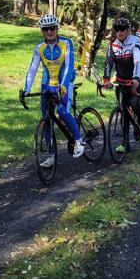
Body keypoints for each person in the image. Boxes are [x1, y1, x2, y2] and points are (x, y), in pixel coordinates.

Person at [24, 15, 85, 166]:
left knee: (62, 112)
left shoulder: (66, 43)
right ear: (42, 31)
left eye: (52, 28)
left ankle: (78, 141)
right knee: (46, 119)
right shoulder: (40, 47)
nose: (49, 32)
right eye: (46, 29)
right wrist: (26, 89)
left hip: (64, 83)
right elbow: (32, 69)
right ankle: (51, 155)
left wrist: (63, 85)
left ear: (57, 29)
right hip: (47, 85)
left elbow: (69, 66)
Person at [103, 18, 140, 153]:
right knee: (123, 111)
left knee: (135, 105)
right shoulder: (113, 44)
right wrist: (106, 79)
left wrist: (136, 78)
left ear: (128, 30)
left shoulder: (135, 41)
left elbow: (138, 61)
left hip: (135, 80)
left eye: (122, 29)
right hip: (121, 81)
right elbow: (108, 62)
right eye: (117, 29)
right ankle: (125, 143)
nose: (119, 32)